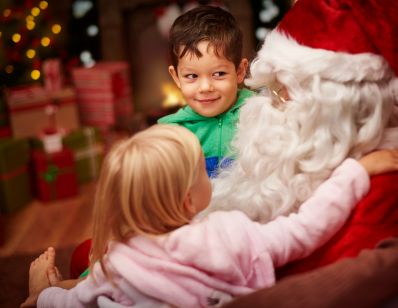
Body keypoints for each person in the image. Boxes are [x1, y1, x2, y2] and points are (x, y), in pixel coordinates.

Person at [21, 124, 398, 307]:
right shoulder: (230, 235)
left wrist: (42, 296)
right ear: (189, 200)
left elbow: (71, 303)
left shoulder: (116, 262)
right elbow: (305, 229)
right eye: (204, 169)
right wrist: (356, 172)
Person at [200, 0, 398, 274]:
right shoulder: (309, 165)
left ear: (339, 109)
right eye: (271, 89)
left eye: (283, 92)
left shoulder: (379, 192)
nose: (268, 105)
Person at [158, 5, 254, 177]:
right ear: (176, 77)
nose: (205, 88)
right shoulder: (172, 134)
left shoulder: (259, 114)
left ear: (240, 71)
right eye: (192, 76)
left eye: (219, 74)